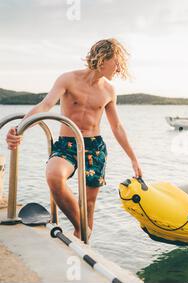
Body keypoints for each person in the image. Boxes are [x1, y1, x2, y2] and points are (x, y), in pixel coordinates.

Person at [5, 38, 143, 239]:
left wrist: (133, 158)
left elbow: (117, 127)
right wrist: (20, 128)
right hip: (67, 145)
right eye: (117, 62)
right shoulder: (68, 79)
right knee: (54, 176)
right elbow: (45, 106)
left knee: (88, 204)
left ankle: (82, 241)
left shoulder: (109, 90)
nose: (120, 69)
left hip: (94, 147)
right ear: (102, 59)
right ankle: (82, 229)